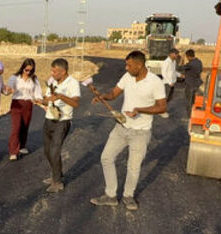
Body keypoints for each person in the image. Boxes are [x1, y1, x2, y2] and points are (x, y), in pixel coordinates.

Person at [90, 50, 167, 211]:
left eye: (129, 65)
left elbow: (162, 107)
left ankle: (128, 196)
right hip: (121, 127)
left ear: (140, 65)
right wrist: (103, 96)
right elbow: (114, 93)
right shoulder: (128, 77)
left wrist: (140, 110)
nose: (126, 68)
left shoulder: (155, 82)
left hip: (141, 132)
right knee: (106, 158)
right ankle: (111, 196)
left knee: (133, 167)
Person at [39, 58, 81, 193]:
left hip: (62, 121)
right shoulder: (52, 82)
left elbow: (75, 103)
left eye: (55, 71)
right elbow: (47, 100)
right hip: (49, 119)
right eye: (51, 70)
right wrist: (41, 101)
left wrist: (61, 97)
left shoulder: (73, 83)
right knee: (47, 151)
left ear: (63, 71)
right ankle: (56, 174)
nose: (52, 73)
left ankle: (57, 182)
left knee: (54, 151)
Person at [6, 58, 43, 161]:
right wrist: (9, 90)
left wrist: (40, 101)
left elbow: (37, 93)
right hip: (17, 103)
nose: (28, 72)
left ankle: (22, 146)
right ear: (22, 68)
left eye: (31, 70)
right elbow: (7, 91)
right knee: (16, 127)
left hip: (28, 104)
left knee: (25, 126)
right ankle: (13, 151)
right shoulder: (14, 78)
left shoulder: (34, 79)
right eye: (26, 70)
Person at [179, 49, 204, 115]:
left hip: (190, 84)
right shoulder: (199, 62)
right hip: (197, 84)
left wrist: (182, 58)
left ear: (188, 56)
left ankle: (190, 115)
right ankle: (195, 113)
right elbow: (201, 70)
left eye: (187, 57)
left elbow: (180, 68)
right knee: (195, 101)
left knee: (189, 101)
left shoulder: (190, 64)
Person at [159, 48, 181, 118]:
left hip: (172, 83)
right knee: (165, 98)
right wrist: (169, 82)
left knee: (169, 98)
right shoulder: (166, 62)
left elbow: (173, 71)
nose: (176, 56)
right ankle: (162, 111)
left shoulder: (173, 62)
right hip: (167, 83)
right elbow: (163, 73)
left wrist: (180, 75)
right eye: (176, 54)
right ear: (171, 54)